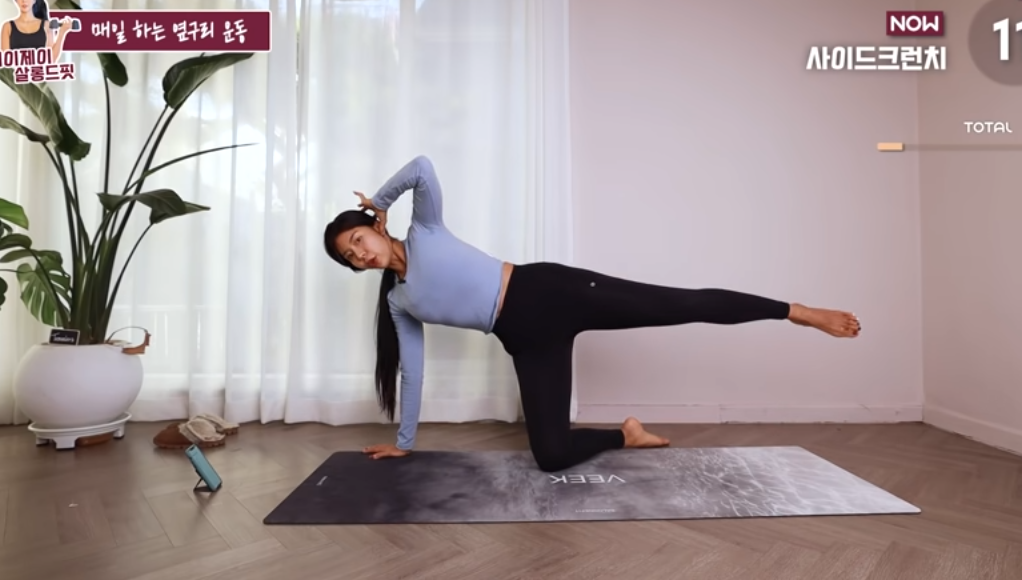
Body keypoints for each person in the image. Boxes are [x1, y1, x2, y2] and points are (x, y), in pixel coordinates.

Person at [323, 155, 861, 473]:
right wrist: (405, 444)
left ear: (375, 227)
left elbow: (422, 167)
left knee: (682, 303)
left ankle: (795, 311)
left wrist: (383, 199)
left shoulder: (425, 230)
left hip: (551, 291)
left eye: (358, 239)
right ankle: (626, 434)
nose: (360, 254)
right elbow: (413, 370)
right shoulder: (400, 301)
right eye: (350, 256)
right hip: (525, 339)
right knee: (551, 455)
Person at [1, 0, 73, 62]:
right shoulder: (7, 26)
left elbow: (51, 59)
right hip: (17, 73)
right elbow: (6, 60)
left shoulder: (47, 25)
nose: (24, 1)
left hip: (38, 72)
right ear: (16, 1)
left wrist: (62, 32)